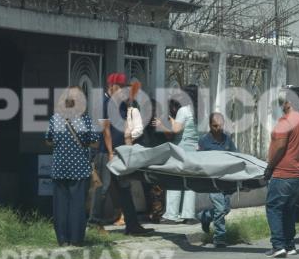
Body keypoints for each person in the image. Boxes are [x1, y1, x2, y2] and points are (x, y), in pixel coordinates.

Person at [90, 72, 153, 236]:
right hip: (106, 153)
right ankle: (94, 224)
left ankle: (132, 225)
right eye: (121, 87)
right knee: (102, 189)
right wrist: (111, 153)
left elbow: (126, 128)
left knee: (125, 188)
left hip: (121, 152)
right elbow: (105, 130)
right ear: (111, 86)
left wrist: (128, 150)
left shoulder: (122, 104)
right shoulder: (104, 103)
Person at [45, 86, 99, 246]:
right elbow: (95, 143)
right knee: (77, 205)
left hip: (59, 168)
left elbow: (48, 140)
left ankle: (62, 240)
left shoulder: (56, 119)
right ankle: (76, 240)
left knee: (60, 206)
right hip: (80, 169)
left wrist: (61, 144)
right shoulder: (85, 120)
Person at [264, 87, 299, 258]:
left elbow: (279, 147)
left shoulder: (286, 121)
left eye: (282, 102)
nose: (281, 105)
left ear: (289, 102)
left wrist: (269, 168)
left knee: (274, 207)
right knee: (288, 210)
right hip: (298, 176)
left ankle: (278, 245)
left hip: (282, 174)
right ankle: (290, 245)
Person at [154, 85, 200, 224]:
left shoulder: (183, 110)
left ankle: (172, 215)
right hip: (194, 149)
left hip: (181, 147)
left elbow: (176, 130)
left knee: (175, 180)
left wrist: (161, 125)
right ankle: (189, 214)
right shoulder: (199, 112)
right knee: (190, 182)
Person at [197, 112, 238, 248]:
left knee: (225, 209)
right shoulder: (204, 141)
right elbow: (198, 161)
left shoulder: (227, 139)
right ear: (210, 125)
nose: (218, 128)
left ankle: (205, 216)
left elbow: (236, 156)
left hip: (226, 181)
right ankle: (220, 238)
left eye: (220, 125)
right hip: (212, 181)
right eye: (215, 126)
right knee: (220, 209)